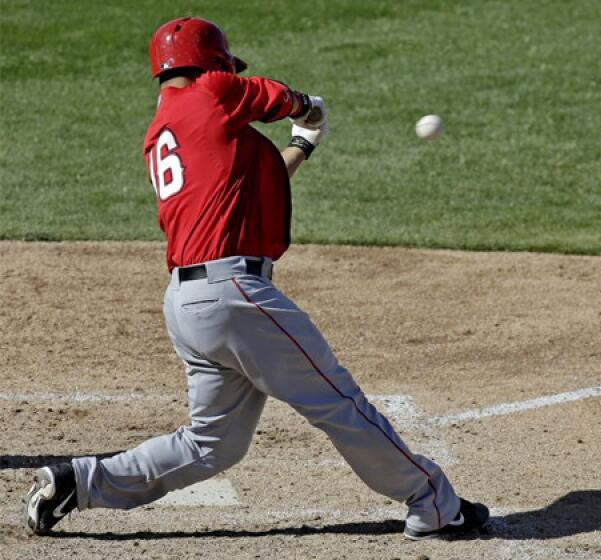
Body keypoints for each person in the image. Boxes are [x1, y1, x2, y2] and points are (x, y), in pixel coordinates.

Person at [24, 16, 488, 541]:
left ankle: (77, 482)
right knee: (337, 399)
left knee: (212, 445)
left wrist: (304, 146)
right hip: (234, 296)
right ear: (212, 62)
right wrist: (311, 111)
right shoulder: (214, 90)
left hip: (188, 303)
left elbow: (242, 191)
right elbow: (287, 99)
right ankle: (431, 498)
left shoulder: (163, 135)